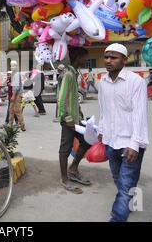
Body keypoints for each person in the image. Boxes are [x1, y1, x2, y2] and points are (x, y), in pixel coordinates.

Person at [98, 43, 148, 222]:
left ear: (124, 60)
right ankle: (130, 201)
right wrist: (102, 130)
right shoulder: (103, 82)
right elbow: (104, 110)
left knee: (125, 183)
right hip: (111, 141)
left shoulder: (136, 82)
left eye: (114, 57)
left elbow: (140, 115)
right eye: (106, 57)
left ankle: (117, 217)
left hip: (130, 143)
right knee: (118, 178)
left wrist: (135, 144)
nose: (109, 61)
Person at [58, 47, 91, 194]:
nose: (86, 60)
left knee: (87, 141)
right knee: (64, 149)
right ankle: (65, 179)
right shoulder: (68, 74)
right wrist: (68, 118)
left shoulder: (74, 73)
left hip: (76, 119)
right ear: (79, 57)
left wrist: (80, 113)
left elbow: (72, 99)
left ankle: (73, 169)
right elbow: (61, 98)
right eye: (85, 57)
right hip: (68, 120)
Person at [9, 60, 26, 131]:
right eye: (11, 65)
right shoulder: (15, 73)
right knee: (11, 110)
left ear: (15, 66)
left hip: (17, 95)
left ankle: (22, 125)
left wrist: (13, 96)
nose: (11, 67)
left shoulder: (16, 74)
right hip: (16, 94)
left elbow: (16, 87)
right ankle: (10, 125)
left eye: (12, 65)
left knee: (17, 110)